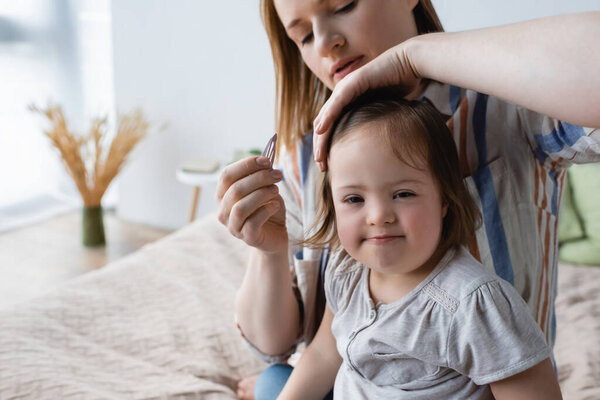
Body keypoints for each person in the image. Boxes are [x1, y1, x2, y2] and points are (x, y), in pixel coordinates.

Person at [215, 1, 600, 398]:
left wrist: (417, 54)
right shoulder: (306, 164)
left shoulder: (511, 107)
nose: (327, 43)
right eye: (305, 36)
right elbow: (291, 349)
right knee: (276, 380)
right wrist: (268, 251)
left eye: (344, 4)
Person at [277, 88, 562, 399]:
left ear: (444, 199)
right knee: (274, 381)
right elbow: (324, 353)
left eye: (403, 194)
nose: (378, 216)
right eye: (354, 199)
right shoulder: (347, 271)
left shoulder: (471, 305)